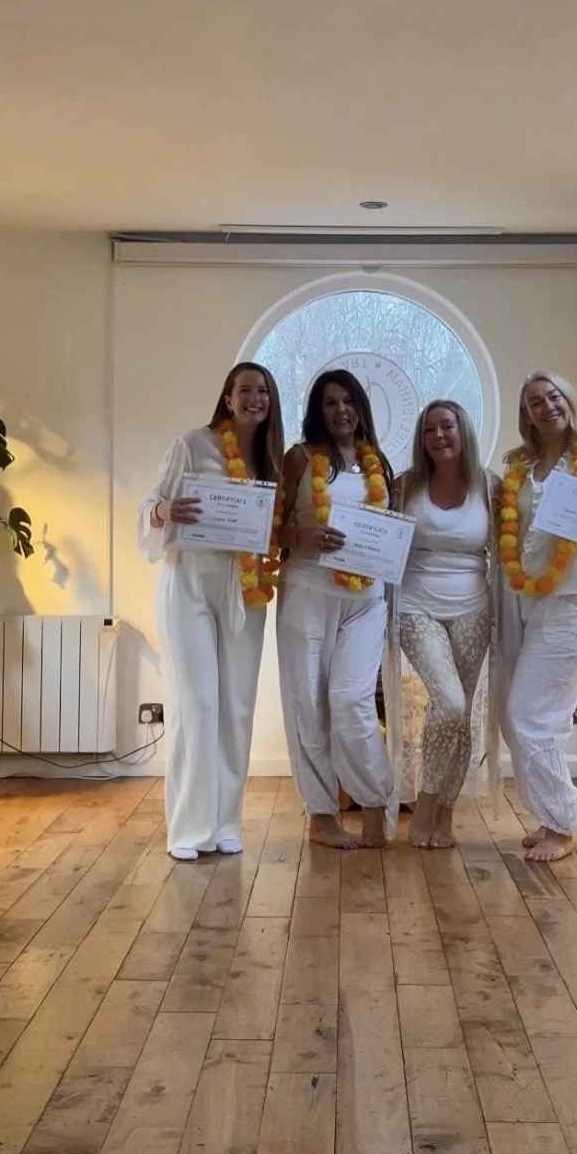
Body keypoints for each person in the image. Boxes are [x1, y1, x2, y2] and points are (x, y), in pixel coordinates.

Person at [138, 363, 284, 861]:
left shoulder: (272, 458)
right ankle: (189, 827)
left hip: (245, 588)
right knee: (196, 702)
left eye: (263, 391)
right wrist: (163, 512)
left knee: (236, 706)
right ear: (227, 398)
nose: (254, 398)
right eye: (245, 390)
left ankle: (225, 822)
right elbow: (153, 503)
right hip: (190, 583)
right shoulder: (193, 445)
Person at [498, 370, 577, 863]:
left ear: (569, 402)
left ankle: (562, 823)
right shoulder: (519, 466)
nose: (547, 406)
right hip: (516, 595)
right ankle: (546, 814)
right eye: (535, 401)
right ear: (526, 415)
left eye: (553, 396)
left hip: (568, 596)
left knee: (534, 712)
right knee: (515, 714)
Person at [277, 369, 395, 849]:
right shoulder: (301, 457)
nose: (341, 410)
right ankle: (322, 816)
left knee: (352, 700)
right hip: (308, 592)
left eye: (348, 400)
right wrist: (299, 534)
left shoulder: (377, 461)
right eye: (330, 402)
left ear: (361, 407)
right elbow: (269, 525)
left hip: (366, 599)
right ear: (317, 411)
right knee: (308, 704)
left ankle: (374, 806)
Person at [392, 401, 499, 848]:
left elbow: (515, 543)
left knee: (460, 713)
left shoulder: (489, 487)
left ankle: (447, 813)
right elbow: (379, 538)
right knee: (450, 702)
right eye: (429, 429)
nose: (438, 435)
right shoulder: (405, 485)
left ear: (463, 431)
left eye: (447, 426)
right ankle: (426, 800)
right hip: (416, 606)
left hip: (474, 609)